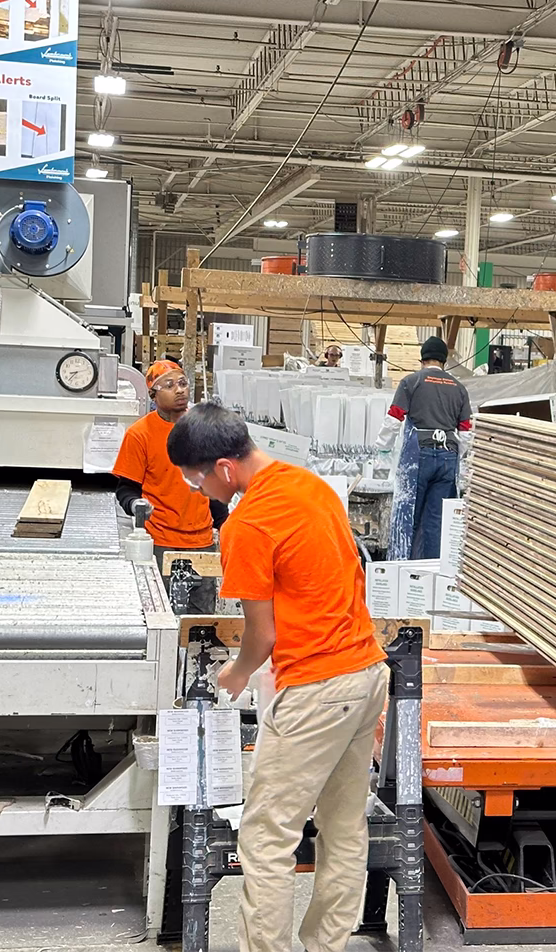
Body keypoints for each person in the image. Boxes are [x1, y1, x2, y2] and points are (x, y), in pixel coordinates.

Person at [166, 403, 388, 952]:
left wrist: (234, 674)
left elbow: (259, 637)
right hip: (365, 673)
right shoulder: (311, 486)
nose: (198, 492)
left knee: (266, 838)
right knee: (342, 828)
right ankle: (326, 945)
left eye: (196, 479)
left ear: (223, 466)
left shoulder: (246, 524)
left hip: (317, 690)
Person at [113, 360, 227, 607]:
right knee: (158, 612)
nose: (179, 390)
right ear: (153, 394)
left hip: (202, 541)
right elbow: (126, 488)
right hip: (159, 541)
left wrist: (227, 526)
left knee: (199, 622)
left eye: (183, 383)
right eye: (169, 385)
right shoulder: (140, 434)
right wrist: (135, 505)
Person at [383, 336, 472, 559]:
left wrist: (381, 450)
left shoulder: (411, 382)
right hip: (447, 459)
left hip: (418, 456)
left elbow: (394, 419)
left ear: (422, 359)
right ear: (444, 360)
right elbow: (466, 433)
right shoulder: (459, 389)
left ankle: (406, 570)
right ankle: (431, 570)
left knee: (409, 514)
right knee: (437, 521)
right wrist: (456, 456)